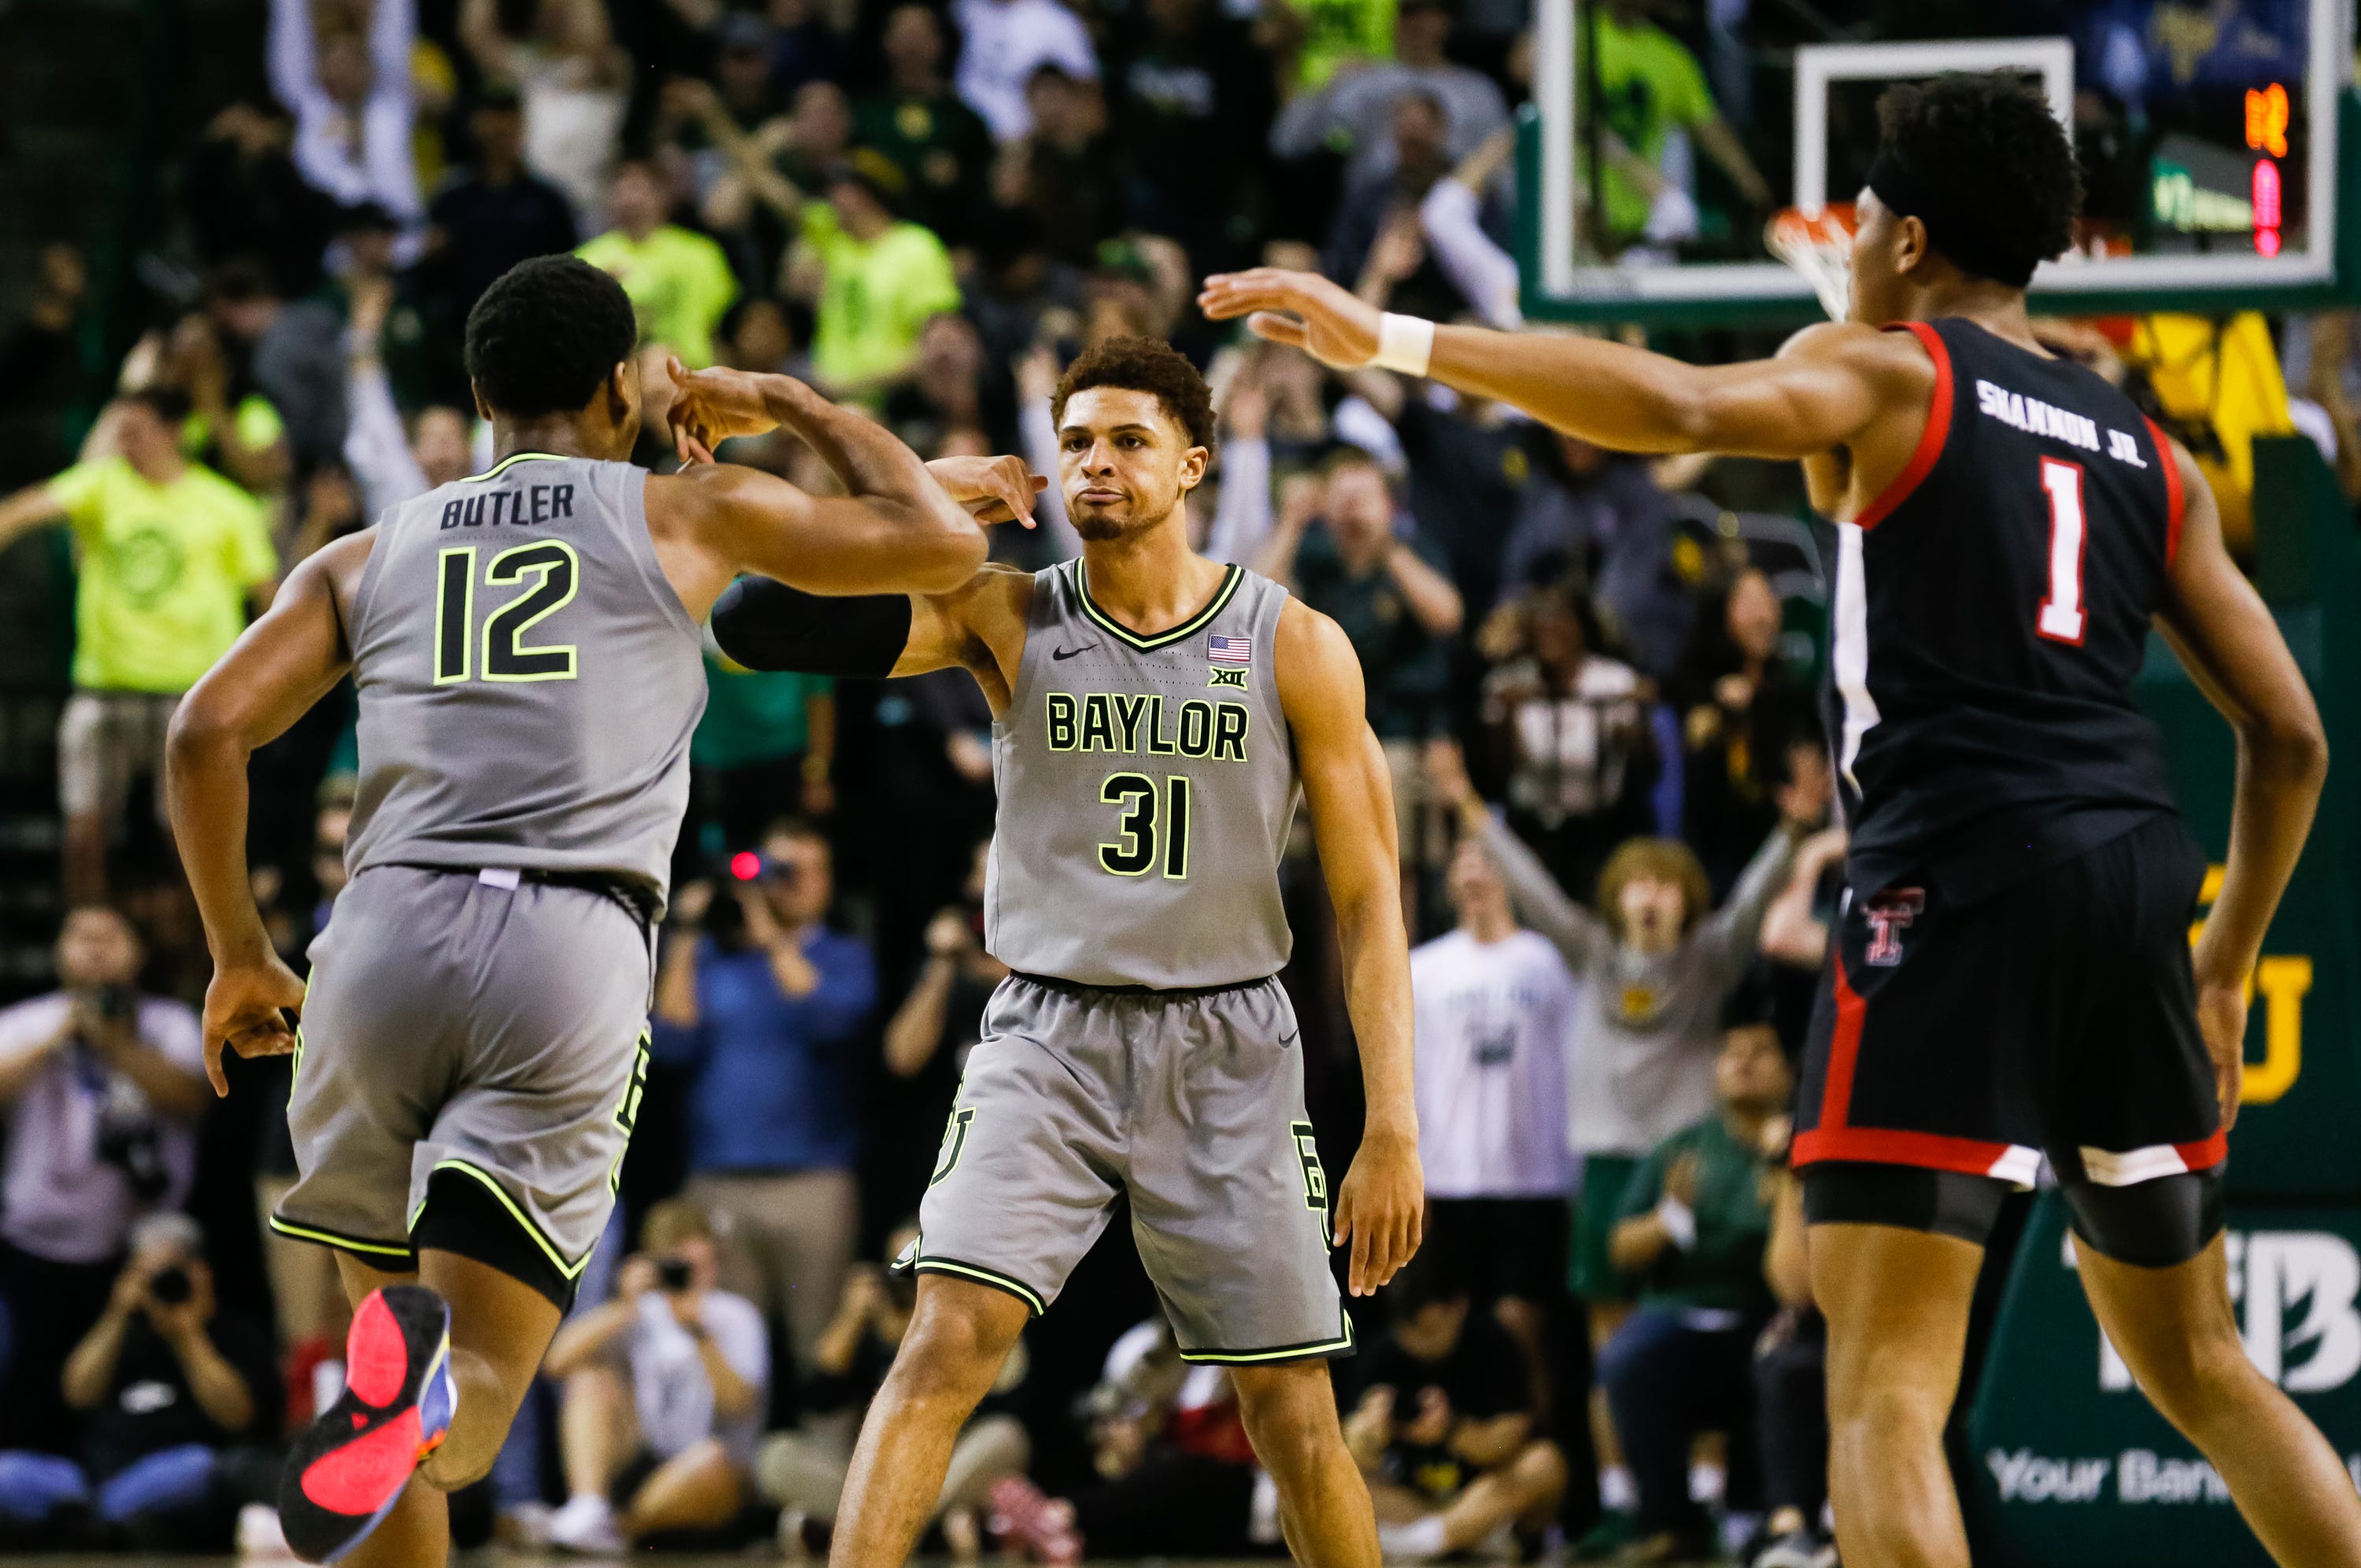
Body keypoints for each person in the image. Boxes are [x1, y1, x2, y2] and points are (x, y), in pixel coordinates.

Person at [1203, 67, 2361, 1568]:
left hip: (1954, 878)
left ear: (1906, 239)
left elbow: (1676, 402)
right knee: (2201, 1364)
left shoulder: (1886, 372)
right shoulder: (2151, 450)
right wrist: (2221, 962)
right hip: (2136, 881)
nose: (1852, 227)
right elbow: (2291, 737)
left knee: (1879, 1386)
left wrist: (1398, 337)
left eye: (1867, 205)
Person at [164, 253, 1020, 1566]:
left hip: (372, 939)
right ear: (624, 383)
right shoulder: (682, 513)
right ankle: (428, 1395)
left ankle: (400, 1387)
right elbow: (947, 541)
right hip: (565, 940)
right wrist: (783, 397)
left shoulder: (368, 548)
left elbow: (206, 729)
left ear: (478, 392)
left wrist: (235, 954)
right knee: (474, 1396)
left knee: (386, 1373)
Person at [705, 334, 1425, 1568]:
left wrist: (1394, 1126)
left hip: (1231, 1041)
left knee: (1293, 1413)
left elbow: (1367, 902)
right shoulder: (1004, 611)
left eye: (1128, 439)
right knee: (940, 1341)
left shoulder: (1292, 641)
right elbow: (748, 618)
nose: (1096, 462)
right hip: (1050, 1033)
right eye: (1077, 439)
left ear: (1194, 463)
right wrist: (924, 494)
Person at [1424, 736, 1808, 1548]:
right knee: (1610, 1342)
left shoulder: (1708, 958)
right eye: (1637, 881)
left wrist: (1794, 829)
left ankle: (1698, 1501)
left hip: (1690, 1162)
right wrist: (1466, 805)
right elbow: (1529, 885)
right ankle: (1625, 1501)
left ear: (1686, 898)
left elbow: (1754, 898)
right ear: (1615, 894)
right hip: (1604, 1166)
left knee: (1693, 1320)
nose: (1650, 896)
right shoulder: (1592, 952)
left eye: (1666, 884)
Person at [0, 389, 277, 904]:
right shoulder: (103, 486)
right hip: (104, 689)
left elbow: (269, 603)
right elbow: (21, 512)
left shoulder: (226, 505)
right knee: (84, 833)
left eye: (138, 431)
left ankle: (209, 963)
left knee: (189, 840)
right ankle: (88, 943)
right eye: (121, 432)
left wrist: (262, 689)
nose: (126, 444)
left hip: (190, 696)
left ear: (175, 433)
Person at [653, 823, 878, 1364]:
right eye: (776, 869)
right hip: (720, 1179)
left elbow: (829, 1019)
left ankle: (830, 1452)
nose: (782, 884)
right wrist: (686, 928)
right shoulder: (712, 957)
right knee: (725, 1352)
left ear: (827, 880)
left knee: (822, 1348)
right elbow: (669, 1040)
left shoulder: (842, 955)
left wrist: (770, 932)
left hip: (813, 1181)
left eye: (798, 870)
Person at [0, 908, 209, 1455]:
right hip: (35, 1244)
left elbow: (191, 1097)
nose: (95, 950)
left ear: (137, 952)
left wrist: (115, 1044)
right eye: (81, 938)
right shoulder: (28, 1020)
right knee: (32, 1396)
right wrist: (62, 1035)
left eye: (111, 937)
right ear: (58, 952)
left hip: (136, 1248)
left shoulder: (168, 1023)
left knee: (125, 1401)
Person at [1599, 1023, 1790, 1561]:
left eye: (1759, 1051)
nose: (1743, 1062)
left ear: (1789, 1070)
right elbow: (1620, 1246)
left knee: (1780, 1361)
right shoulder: (1684, 1146)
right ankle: (1668, 1521)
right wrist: (1668, 1219)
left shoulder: (1799, 1144)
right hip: (1679, 1312)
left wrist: (1784, 1198)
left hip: (1763, 1311)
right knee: (1626, 1360)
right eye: (1730, 1052)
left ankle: (1766, 1517)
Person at [1408, 835, 1576, 1408]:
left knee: (1523, 1324)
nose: (1474, 875)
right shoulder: (1423, 969)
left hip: (1531, 1176)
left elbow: (1570, 1062)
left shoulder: (1546, 962)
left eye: (1487, 864)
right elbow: (1409, 1074)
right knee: (1454, 1325)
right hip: (1448, 1175)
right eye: (1463, 863)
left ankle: (1539, 1451)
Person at [755, 1223, 1031, 1562]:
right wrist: (850, 1319)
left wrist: (933, 1336)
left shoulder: (970, 1312)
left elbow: (1005, 1406)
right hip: (875, 1474)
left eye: (918, 1266)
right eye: (900, 1269)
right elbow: (817, 1399)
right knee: (776, 1456)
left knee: (1006, 1437)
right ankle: (927, 1535)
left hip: (948, 1467)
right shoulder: (873, 1325)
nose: (909, 1281)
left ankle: (856, 1534)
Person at [0, 1213, 279, 1548]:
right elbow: (76, 1394)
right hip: (90, 1480)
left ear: (200, 1272)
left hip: (169, 1474)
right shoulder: (121, 1330)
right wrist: (116, 1314)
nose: (160, 1286)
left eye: (171, 1273)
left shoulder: (232, 1332)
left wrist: (188, 1336)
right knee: (8, 1472)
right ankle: (97, 1519)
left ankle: (90, 1523)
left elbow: (237, 1415)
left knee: (198, 1465)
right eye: (148, 1275)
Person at [540, 1198, 770, 1553]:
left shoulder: (735, 1315)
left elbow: (738, 1405)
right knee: (589, 1377)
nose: (690, 1276)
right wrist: (624, 1304)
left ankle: (620, 1530)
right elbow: (556, 1363)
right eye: (679, 1265)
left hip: (714, 1469)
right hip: (646, 1460)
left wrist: (699, 1333)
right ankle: (589, 1507)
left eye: (701, 1264)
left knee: (710, 1461)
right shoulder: (640, 1312)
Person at [1339, 1253, 1567, 1562]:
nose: (1418, 1344)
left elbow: (1512, 1439)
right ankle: (1454, 1536)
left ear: (1457, 1308)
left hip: (1483, 1497)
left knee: (1544, 1463)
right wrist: (1368, 1432)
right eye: (1409, 1333)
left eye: (1430, 1332)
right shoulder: (1381, 1355)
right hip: (1412, 1502)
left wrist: (1453, 1430)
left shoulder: (1490, 1343)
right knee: (1332, 1477)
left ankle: (1426, 1543)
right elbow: (1349, 1450)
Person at [575, 160, 741, 370]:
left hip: (695, 375)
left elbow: (720, 330)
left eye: (639, 189)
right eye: (622, 191)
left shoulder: (701, 253)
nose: (630, 199)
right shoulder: (588, 260)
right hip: (621, 381)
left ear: (663, 196)